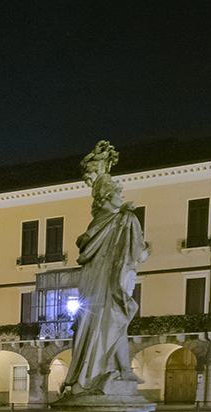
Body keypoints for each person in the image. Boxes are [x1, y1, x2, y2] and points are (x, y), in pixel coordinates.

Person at [61, 140, 147, 396]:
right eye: (118, 194)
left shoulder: (100, 223)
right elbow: (138, 254)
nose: (122, 197)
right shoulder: (123, 220)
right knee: (115, 322)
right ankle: (118, 370)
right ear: (109, 196)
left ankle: (121, 369)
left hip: (94, 288)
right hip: (110, 286)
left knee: (113, 324)